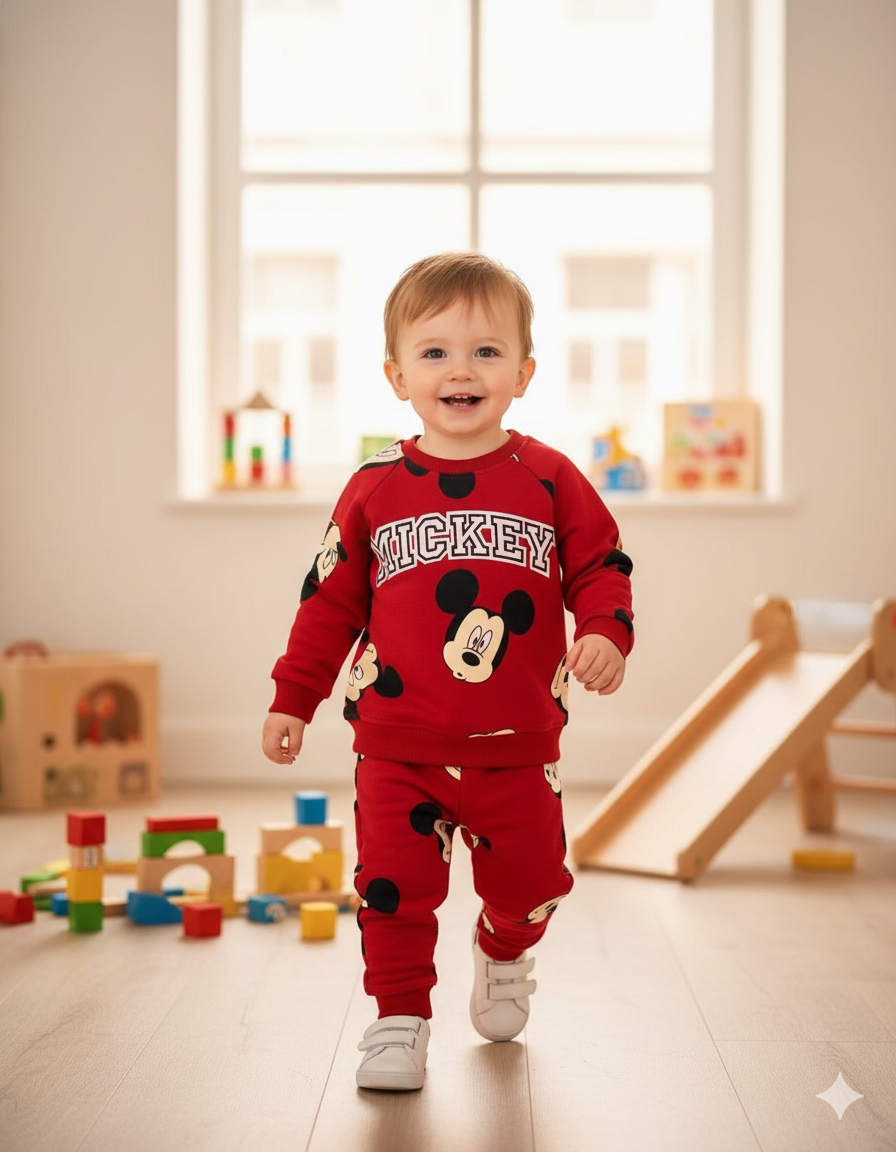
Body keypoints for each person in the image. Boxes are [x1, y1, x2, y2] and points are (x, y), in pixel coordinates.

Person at [262, 252, 633, 1091]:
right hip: (397, 740)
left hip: (517, 742)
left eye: (486, 352)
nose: (460, 371)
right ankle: (399, 1020)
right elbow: (327, 602)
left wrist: (606, 631)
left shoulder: (549, 478)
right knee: (392, 888)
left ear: (523, 373)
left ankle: (502, 948)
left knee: (534, 883)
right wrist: (294, 697)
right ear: (397, 376)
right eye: (434, 353)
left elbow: (601, 565)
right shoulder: (374, 487)